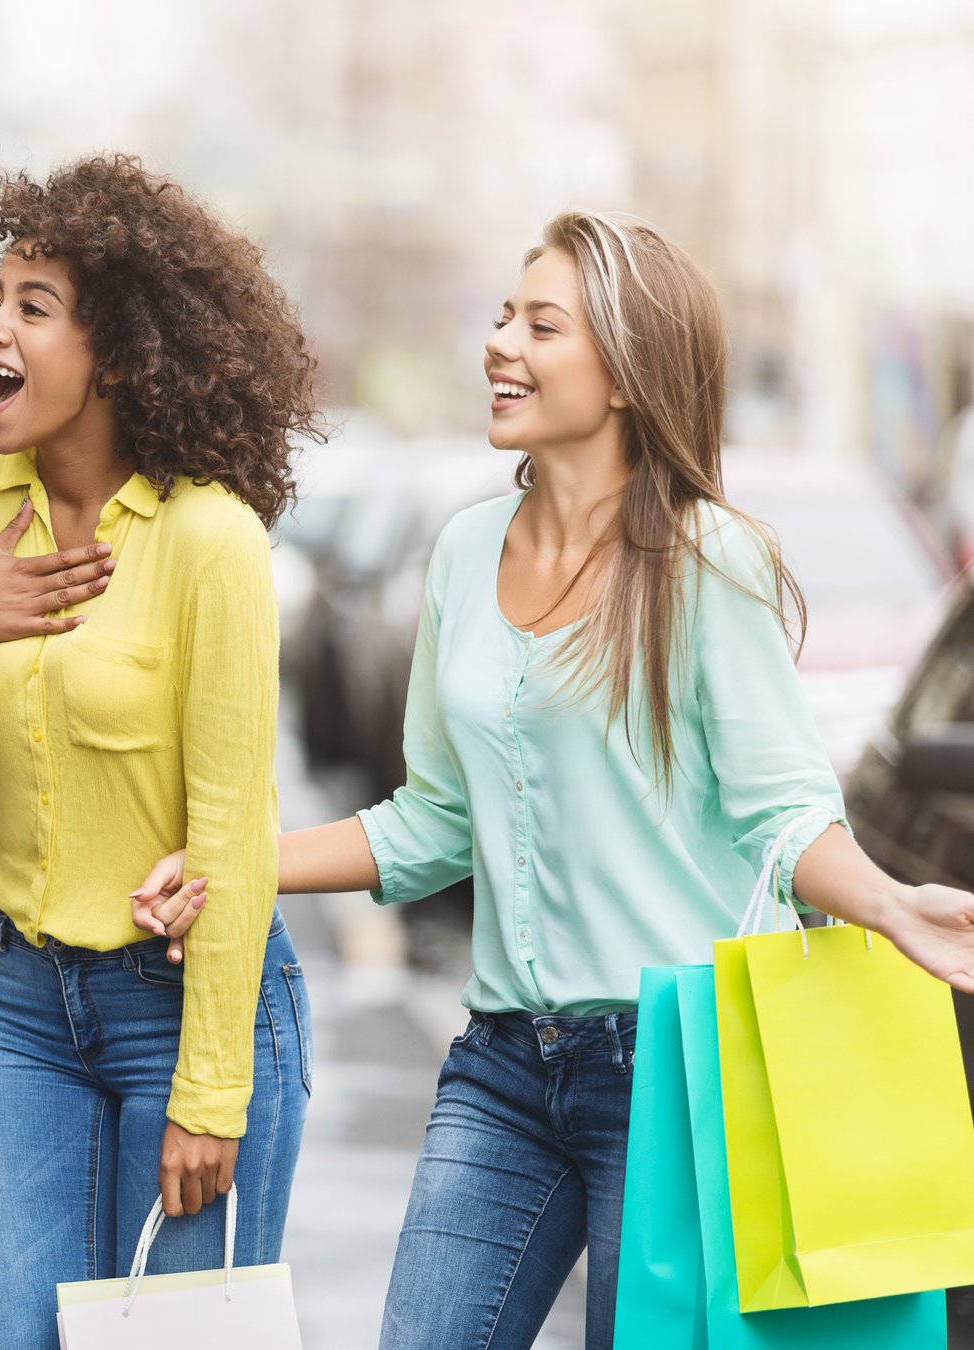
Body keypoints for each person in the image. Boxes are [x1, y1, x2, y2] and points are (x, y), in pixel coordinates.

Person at [139, 210, 974, 1349]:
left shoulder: (704, 562)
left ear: (626, 370)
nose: (500, 346)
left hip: (676, 1073)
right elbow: (432, 822)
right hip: (502, 1064)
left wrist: (886, 903)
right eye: (499, 318)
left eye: (541, 325)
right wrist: (237, 870)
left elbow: (782, 813)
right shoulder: (463, 551)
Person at [0, 154, 325, 1350]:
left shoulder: (207, 540)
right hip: (19, 1000)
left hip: (180, 1004)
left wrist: (211, 1092)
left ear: (117, 355)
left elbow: (230, 824)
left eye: (32, 306)